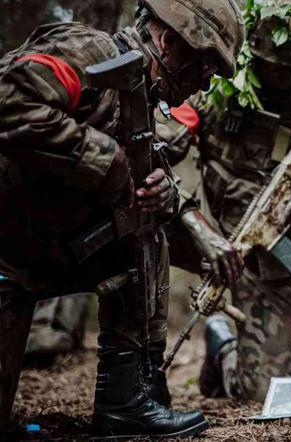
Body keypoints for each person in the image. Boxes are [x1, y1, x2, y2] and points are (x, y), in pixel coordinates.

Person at [0, 0, 243, 438]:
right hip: (6, 262)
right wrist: (108, 162)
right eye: (206, 66)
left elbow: (143, 180)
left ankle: (127, 400)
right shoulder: (91, 53)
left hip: (34, 254)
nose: (206, 83)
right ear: (169, 42)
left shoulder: (141, 102)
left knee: (144, 232)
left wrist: (167, 194)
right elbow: (9, 102)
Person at [165, 15, 291, 402]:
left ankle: (224, 347)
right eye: (273, 67)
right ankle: (225, 338)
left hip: (283, 264)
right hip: (218, 246)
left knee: (272, 395)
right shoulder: (219, 84)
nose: (282, 78)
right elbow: (164, 144)